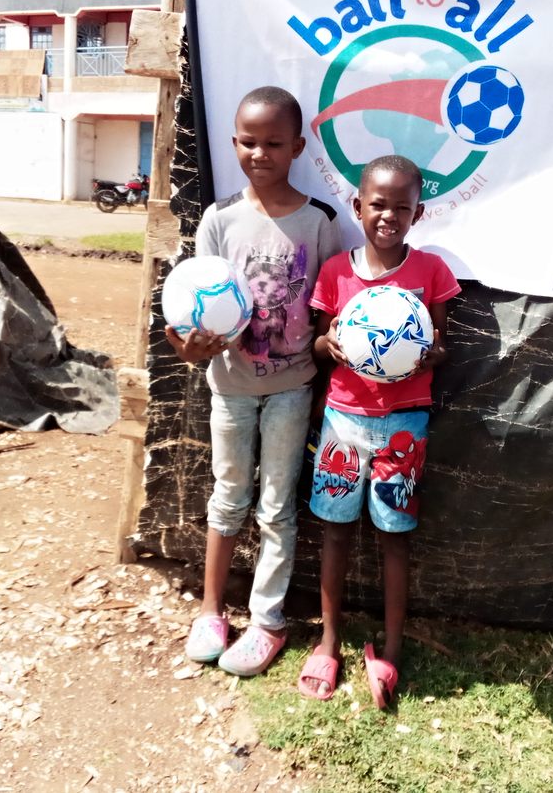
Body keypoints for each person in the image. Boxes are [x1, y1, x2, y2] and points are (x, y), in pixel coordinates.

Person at [165, 86, 342, 676]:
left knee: (276, 507)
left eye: (273, 143)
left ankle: (268, 622)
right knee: (228, 496)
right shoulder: (219, 219)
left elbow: (328, 314)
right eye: (247, 142)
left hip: (293, 386)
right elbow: (190, 316)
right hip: (230, 387)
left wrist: (323, 372)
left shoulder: (320, 223)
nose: (259, 153)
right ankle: (211, 611)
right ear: (233, 143)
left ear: (298, 147)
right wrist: (190, 350)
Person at [298, 155, 461, 707]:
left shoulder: (430, 272)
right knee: (335, 530)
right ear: (357, 207)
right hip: (343, 420)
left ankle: (390, 649)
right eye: (378, 205)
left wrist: (429, 354)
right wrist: (329, 345)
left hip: (404, 424)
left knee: (395, 535)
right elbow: (319, 344)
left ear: (419, 213)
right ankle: (328, 640)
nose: (388, 216)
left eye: (401, 207)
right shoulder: (335, 273)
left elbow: (442, 345)